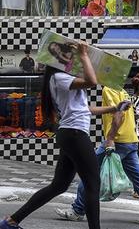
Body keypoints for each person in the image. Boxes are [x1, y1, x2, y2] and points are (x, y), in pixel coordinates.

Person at [0, 42, 118, 229]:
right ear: (56, 62)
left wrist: (114, 108)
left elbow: (85, 110)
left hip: (71, 134)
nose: (70, 60)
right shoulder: (60, 78)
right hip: (75, 134)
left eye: (70, 57)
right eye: (67, 57)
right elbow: (92, 81)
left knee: (59, 186)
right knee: (93, 184)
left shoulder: (63, 79)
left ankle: (11, 221)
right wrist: (84, 55)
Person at [56, 84, 139, 225]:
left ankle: (77, 210)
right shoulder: (123, 90)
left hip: (118, 141)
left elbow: (118, 114)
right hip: (130, 139)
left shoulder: (110, 89)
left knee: (88, 172)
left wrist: (110, 138)